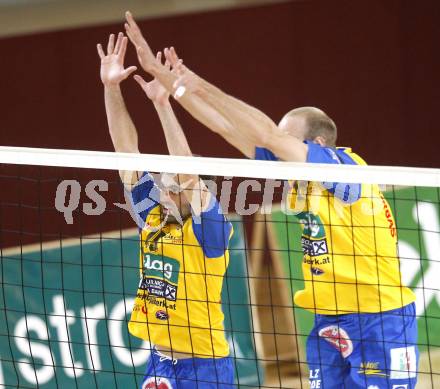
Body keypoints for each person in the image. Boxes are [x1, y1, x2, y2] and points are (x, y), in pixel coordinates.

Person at [122, 12, 419, 388]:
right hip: (329, 317)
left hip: (380, 317)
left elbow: (262, 131)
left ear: (317, 145)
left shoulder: (346, 169)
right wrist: (168, 81)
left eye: (289, 141)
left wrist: (198, 83)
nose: (279, 148)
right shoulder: (296, 179)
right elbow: (224, 126)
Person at [97, 32, 235, 389]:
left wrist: (163, 104)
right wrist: (111, 87)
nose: (166, 189)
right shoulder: (153, 218)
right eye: (165, 183)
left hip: (205, 368)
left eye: (174, 186)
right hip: (159, 363)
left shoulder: (211, 231)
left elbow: (188, 173)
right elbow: (126, 152)